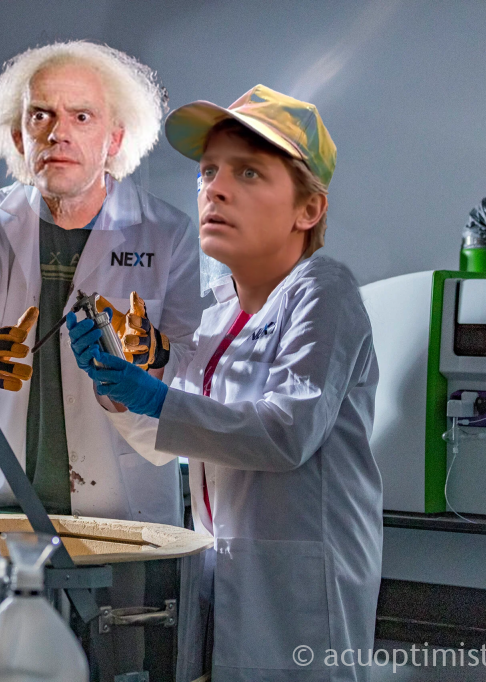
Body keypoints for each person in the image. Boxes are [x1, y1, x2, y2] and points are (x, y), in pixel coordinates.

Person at [68, 85, 382, 681]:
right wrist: (115, 384)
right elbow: (170, 438)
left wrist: (156, 396)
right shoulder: (215, 312)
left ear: (307, 210)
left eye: (248, 173)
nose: (214, 188)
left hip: (301, 586)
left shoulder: (324, 291)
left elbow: (286, 434)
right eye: (209, 171)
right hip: (224, 567)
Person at [0, 41, 202, 524]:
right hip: (4, 498)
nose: (58, 134)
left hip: (122, 505)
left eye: (82, 117)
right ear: (18, 137)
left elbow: (198, 378)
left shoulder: (167, 232)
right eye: (40, 116)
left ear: (115, 138)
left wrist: (156, 356)